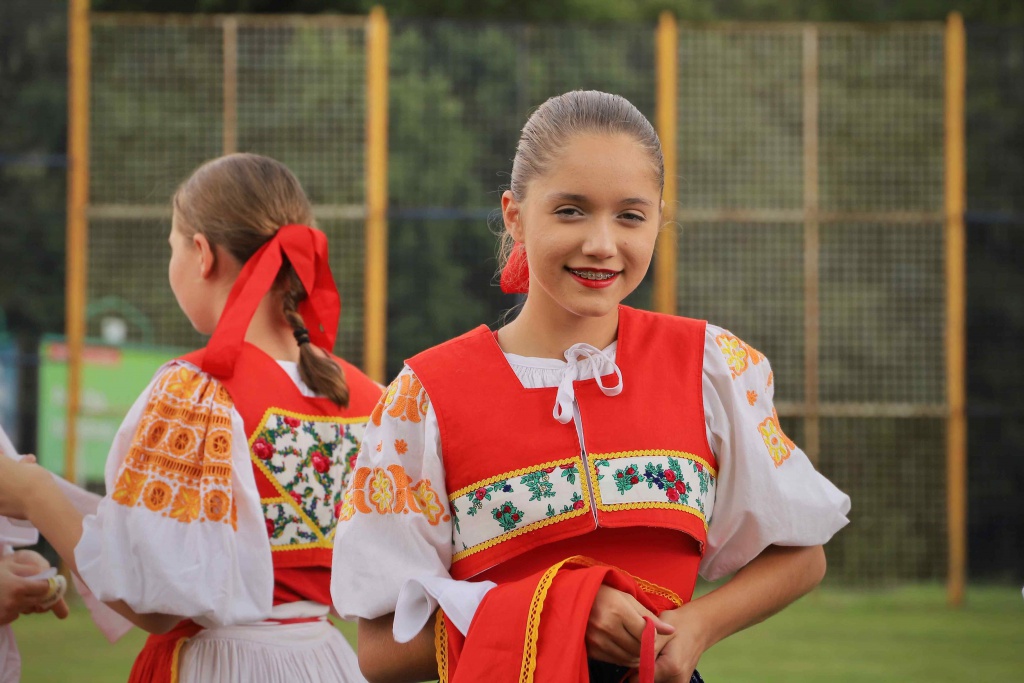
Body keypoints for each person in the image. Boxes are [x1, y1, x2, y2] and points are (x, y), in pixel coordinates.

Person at [331, 91, 851, 683]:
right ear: (514, 215)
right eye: (571, 211)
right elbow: (380, 650)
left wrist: (696, 627)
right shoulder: (426, 397)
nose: (602, 244)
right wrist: (562, 613)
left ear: (658, 220)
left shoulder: (709, 367)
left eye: (630, 216)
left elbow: (801, 553)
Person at [0, 153, 381, 682]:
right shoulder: (367, 399)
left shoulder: (197, 393)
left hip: (222, 664)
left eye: (172, 246)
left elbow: (153, 598)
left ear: (201, 254)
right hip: (326, 661)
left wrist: (33, 493)